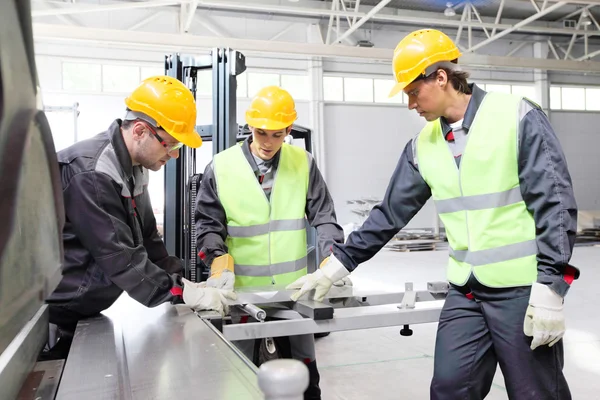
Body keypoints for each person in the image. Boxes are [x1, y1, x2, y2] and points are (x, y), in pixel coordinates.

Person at [286, 29, 579, 399]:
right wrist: (337, 264)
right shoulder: (423, 145)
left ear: (441, 77)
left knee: (536, 393)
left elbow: (554, 203)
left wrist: (552, 285)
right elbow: (389, 214)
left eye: (413, 91)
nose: (410, 104)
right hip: (467, 293)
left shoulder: (515, 116)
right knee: (450, 388)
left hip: (522, 291)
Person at [43, 76, 234, 360]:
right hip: (58, 314)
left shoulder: (133, 168)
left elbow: (148, 238)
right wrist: (180, 292)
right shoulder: (92, 173)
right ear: (141, 131)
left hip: (85, 309)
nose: (174, 155)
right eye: (170, 145)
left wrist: (188, 283)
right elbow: (120, 258)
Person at [195, 86, 345, 400]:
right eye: (261, 132)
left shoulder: (303, 163)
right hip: (241, 296)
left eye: (277, 135)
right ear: (250, 127)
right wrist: (217, 264)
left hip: (295, 293)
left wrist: (332, 261)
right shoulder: (221, 167)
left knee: (304, 381)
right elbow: (208, 227)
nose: (267, 142)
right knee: (240, 382)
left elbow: (325, 217)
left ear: (289, 130)